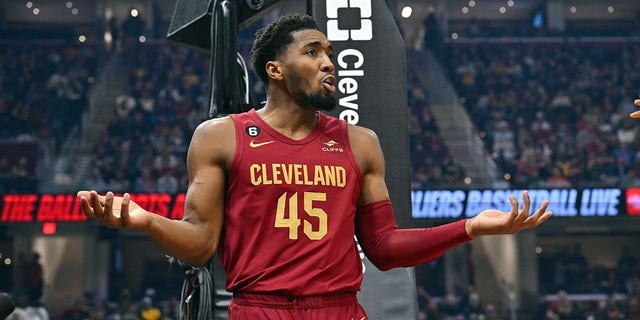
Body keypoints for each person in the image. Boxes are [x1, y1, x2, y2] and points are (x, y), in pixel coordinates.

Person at [77, 14, 552, 320]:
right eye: (312, 52)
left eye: (329, 52)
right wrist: (142, 220)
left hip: (340, 310)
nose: (330, 62)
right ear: (274, 70)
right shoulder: (221, 135)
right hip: (259, 309)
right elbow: (201, 244)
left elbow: (383, 248)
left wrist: (470, 227)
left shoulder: (361, 142)